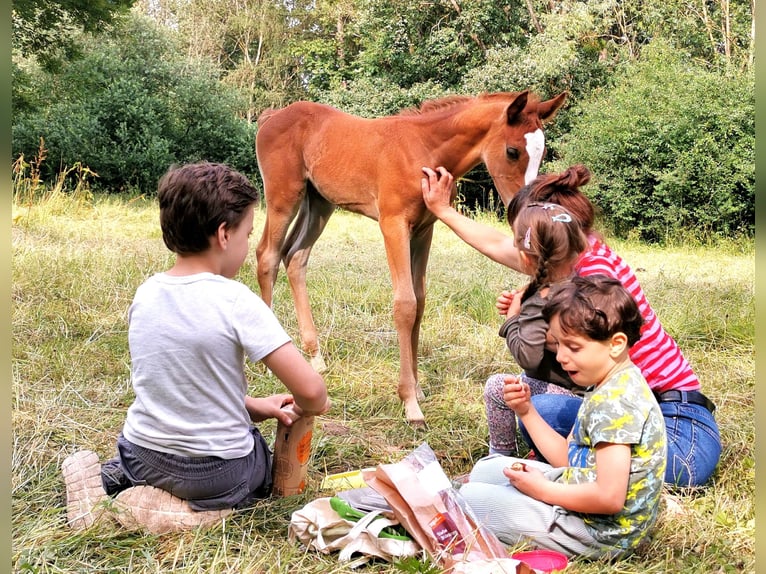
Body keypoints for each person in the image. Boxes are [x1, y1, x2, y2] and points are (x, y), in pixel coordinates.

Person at [62, 162, 331, 529]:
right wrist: (310, 404)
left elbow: (180, 388)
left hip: (141, 454)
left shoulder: (146, 295)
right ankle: (178, 515)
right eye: (248, 234)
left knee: (136, 463)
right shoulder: (235, 300)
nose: (248, 244)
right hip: (214, 472)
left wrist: (254, 406)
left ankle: (108, 484)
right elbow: (312, 391)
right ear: (223, 234)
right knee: (259, 467)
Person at [421, 164, 720, 487]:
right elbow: (496, 245)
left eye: (524, 241)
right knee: (515, 393)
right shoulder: (573, 256)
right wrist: (443, 210)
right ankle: (509, 465)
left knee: (542, 408)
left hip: (679, 433)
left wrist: (519, 317)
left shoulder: (593, 275)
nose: (521, 252)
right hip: (643, 416)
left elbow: (543, 347)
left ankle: (545, 473)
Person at [459, 275, 667, 559]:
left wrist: (542, 490)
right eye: (558, 345)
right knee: (487, 468)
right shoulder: (605, 383)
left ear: (616, 343)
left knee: (470, 500)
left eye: (574, 347)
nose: (560, 357)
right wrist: (526, 411)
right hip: (582, 497)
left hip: (599, 533)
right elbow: (569, 457)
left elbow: (609, 498)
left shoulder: (616, 402)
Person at [487, 201, 587, 457]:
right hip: (590, 394)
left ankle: (500, 455)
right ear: (577, 248)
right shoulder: (583, 286)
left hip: (566, 394)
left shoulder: (539, 300)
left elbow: (527, 357)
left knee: (497, 387)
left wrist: (512, 320)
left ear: (525, 256)